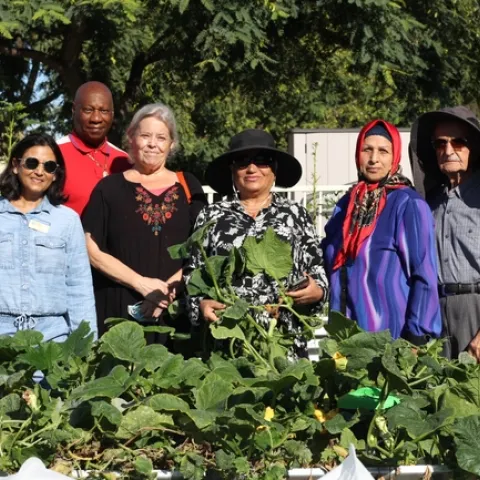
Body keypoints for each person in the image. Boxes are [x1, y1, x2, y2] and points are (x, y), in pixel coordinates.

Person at [184, 129, 328, 356]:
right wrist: (201, 304)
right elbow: (193, 274)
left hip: (283, 340)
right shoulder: (211, 215)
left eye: (262, 161)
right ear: (232, 170)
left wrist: (317, 291)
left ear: (274, 170)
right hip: (229, 340)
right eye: (242, 162)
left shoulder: (295, 214)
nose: (252, 168)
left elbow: (317, 270)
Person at [82, 103, 207, 337]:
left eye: (161, 137)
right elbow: (90, 248)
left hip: (174, 308)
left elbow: (203, 246)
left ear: (171, 144)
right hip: (119, 304)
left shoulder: (188, 185)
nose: (152, 144)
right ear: (131, 138)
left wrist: (168, 291)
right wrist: (141, 283)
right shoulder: (108, 188)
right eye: (145, 135)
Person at [321, 119, 442, 344]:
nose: (374, 159)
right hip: (344, 339)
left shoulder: (407, 205)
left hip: (391, 339)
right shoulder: (346, 206)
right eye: (367, 149)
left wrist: (415, 338)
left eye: (383, 151)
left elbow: (424, 274)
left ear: (394, 157)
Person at [0, 133, 97, 341]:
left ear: (55, 174)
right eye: (32, 163)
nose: (39, 171)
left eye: (49, 166)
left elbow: (79, 288)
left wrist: (86, 345)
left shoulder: (68, 221)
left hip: (52, 339)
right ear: (16, 165)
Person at [409, 106, 480, 360]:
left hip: (476, 307)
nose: (448, 150)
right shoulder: (428, 202)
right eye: (440, 143)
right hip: (435, 311)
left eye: (459, 142)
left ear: (474, 147)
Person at [57, 81, 130, 215]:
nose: (96, 118)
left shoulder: (124, 160)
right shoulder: (54, 154)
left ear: (112, 114)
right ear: (74, 111)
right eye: (88, 110)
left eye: (104, 111)